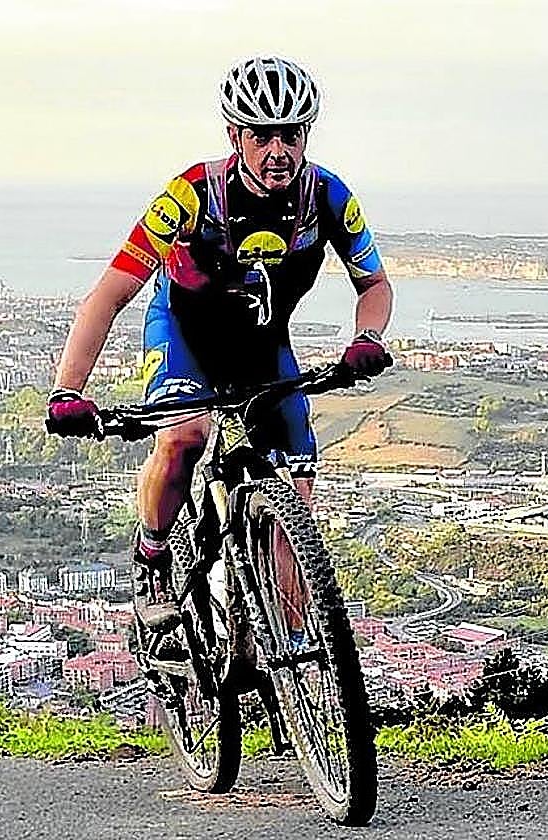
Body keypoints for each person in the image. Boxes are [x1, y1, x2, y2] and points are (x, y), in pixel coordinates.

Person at [46, 56, 393, 629]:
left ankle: (298, 659)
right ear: (235, 134)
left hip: (263, 345)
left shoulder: (328, 197)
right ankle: (154, 553)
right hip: (186, 334)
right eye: (262, 135)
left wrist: (367, 337)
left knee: (297, 500)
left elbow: (374, 284)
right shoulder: (190, 195)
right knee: (186, 435)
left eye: (291, 133)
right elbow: (107, 296)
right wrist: (67, 391)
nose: (278, 149)